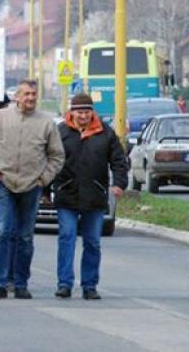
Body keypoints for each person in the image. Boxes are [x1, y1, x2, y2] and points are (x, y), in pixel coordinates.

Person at [0, 80, 65, 300]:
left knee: (25, 237)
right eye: (26, 94)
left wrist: (44, 179)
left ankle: (21, 283)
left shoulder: (46, 123)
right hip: (3, 183)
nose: (30, 98)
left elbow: (57, 155)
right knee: (3, 232)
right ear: (17, 96)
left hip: (32, 186)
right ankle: (0, 284)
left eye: (34, 94)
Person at [54, 92, 128, 300]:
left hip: (95, 194)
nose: (83, 116)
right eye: (79, 112)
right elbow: (49, 160)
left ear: (92, 112)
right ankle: (64, 283)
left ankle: (89, 285)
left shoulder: (106, 133)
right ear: (72, 112)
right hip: (67, 193)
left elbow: (118, 161)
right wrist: (46, 188)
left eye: (87, 112)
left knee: (93, 242)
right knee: (67, 237)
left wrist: (120, 184)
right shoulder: (60, 132)